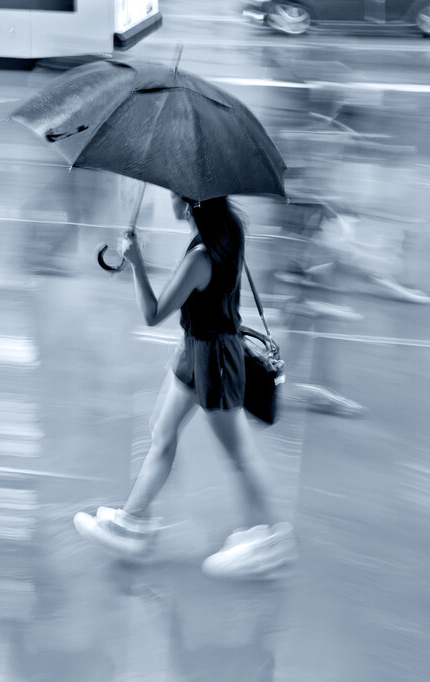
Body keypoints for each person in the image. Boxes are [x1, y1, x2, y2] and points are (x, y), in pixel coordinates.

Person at [73, 194, 297, 579]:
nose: (169, 201)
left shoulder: (201, 256)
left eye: (174, 196)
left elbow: (152, 313)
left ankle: (271, 541)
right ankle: (132, 522)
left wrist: (136, 263)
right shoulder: (229, 229)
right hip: (195, 348)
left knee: (240, 454)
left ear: (193, 203)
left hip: (215, 361)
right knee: (162, 433)